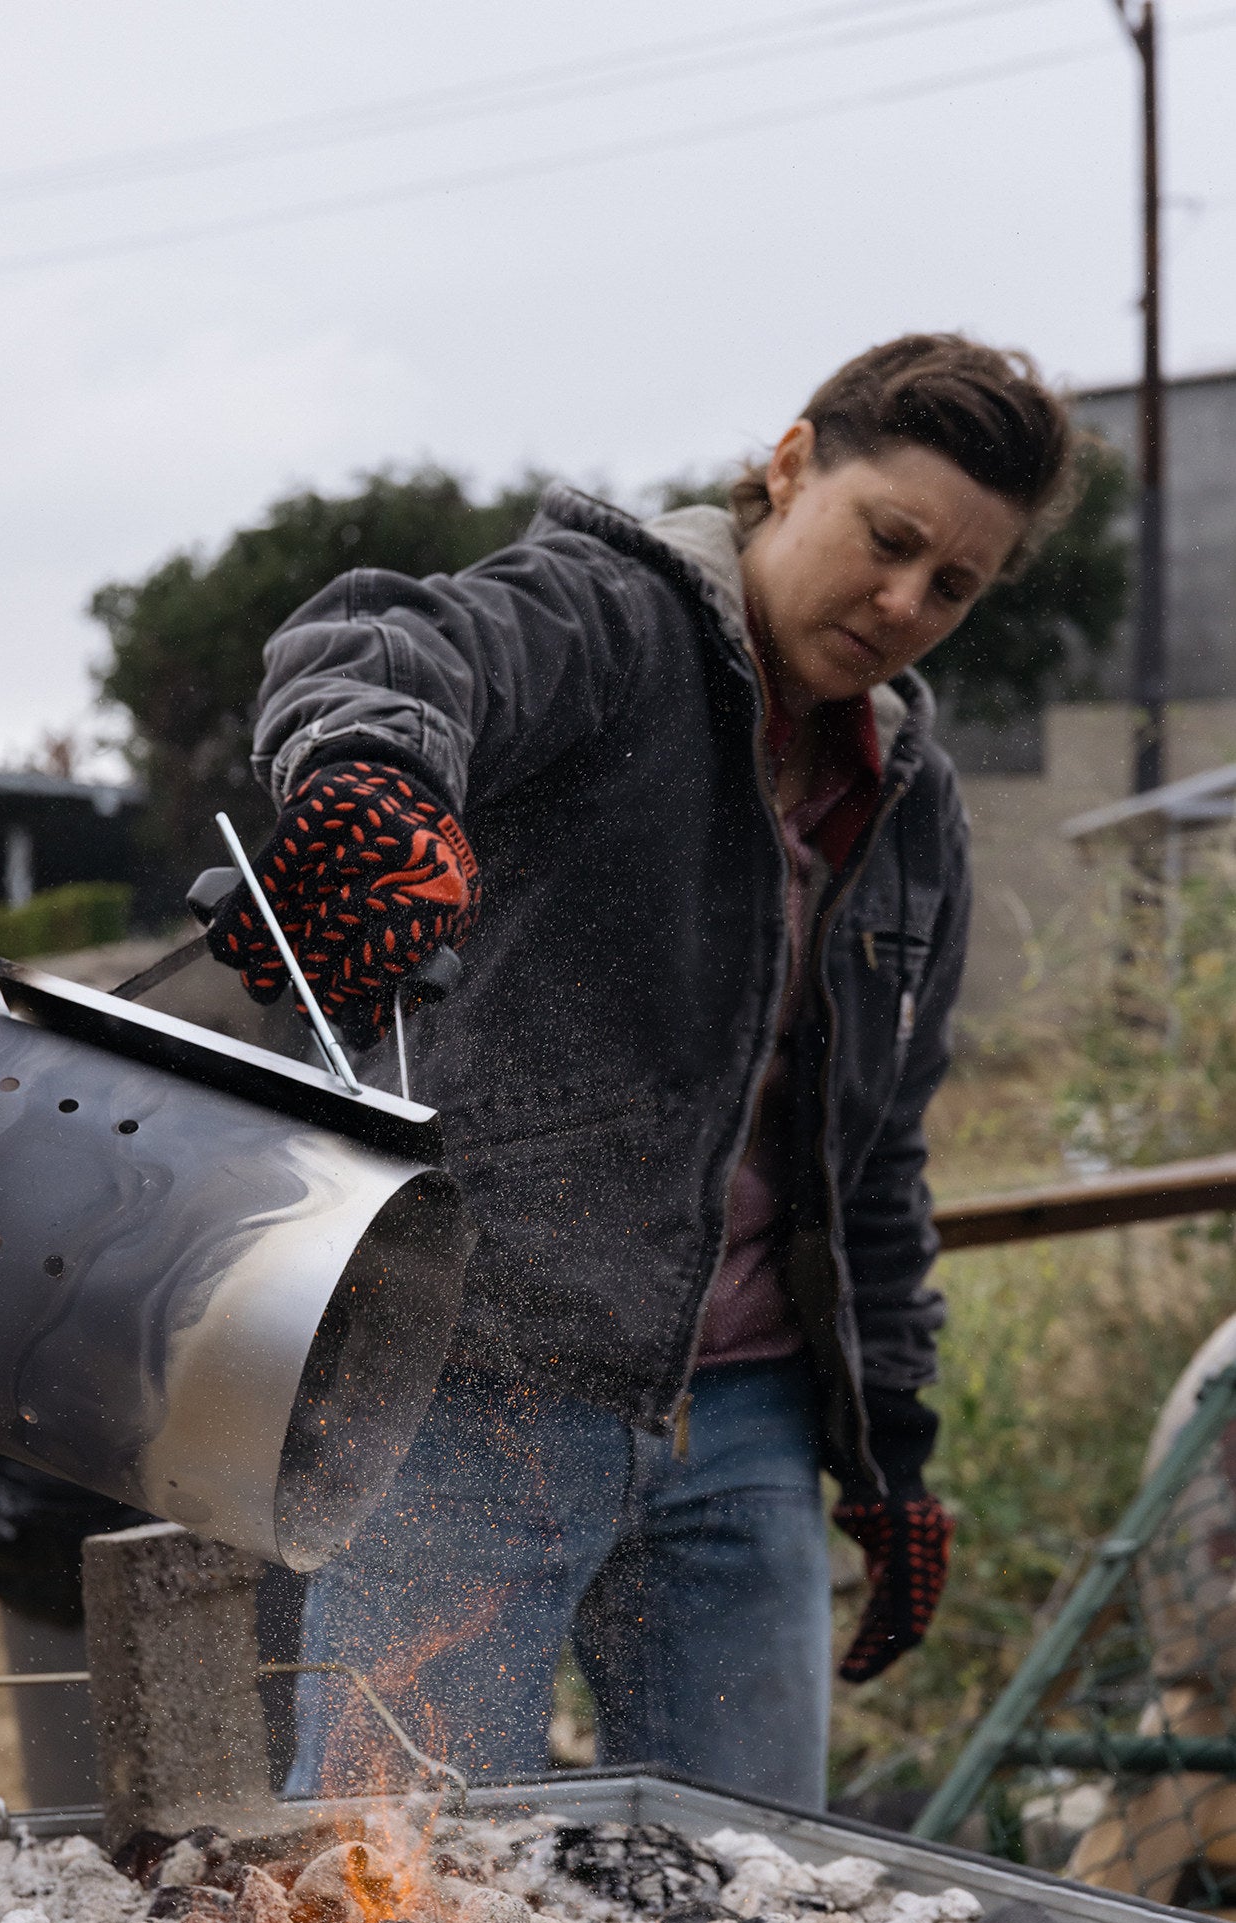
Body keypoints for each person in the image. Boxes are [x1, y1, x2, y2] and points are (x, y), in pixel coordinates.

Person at [207, 333, 1075, 1807]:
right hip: (474, 1389)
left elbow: (874, 1163)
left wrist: (893, 1457)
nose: (903, 604)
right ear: (789, 466)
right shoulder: (607, 620)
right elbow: (389, 643)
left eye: (953, 587)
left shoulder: (914, 807)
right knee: (390, 1874)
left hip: (747, 1430)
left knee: (749, 1888)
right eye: (888, 540)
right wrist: (370, 777)